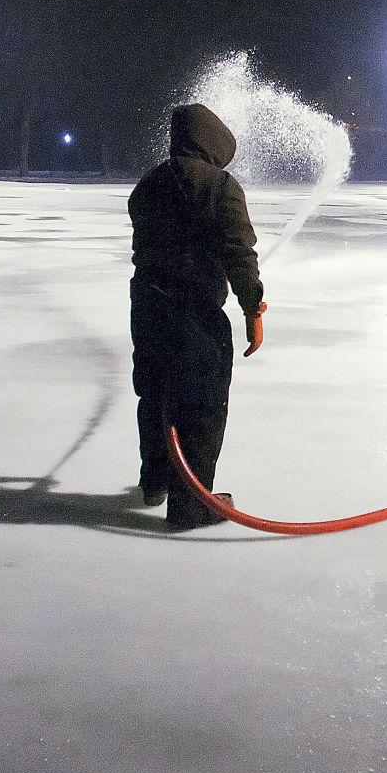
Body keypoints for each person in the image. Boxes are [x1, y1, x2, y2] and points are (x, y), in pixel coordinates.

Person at [128, 103, 266, 527]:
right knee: (201, 404)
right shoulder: (220, 186)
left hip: (148, 309)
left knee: (155, 394)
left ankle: (157, 480)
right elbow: (239, 253)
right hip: (194, 313)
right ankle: (191, 505)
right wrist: (252, 307)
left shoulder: (149, 185)